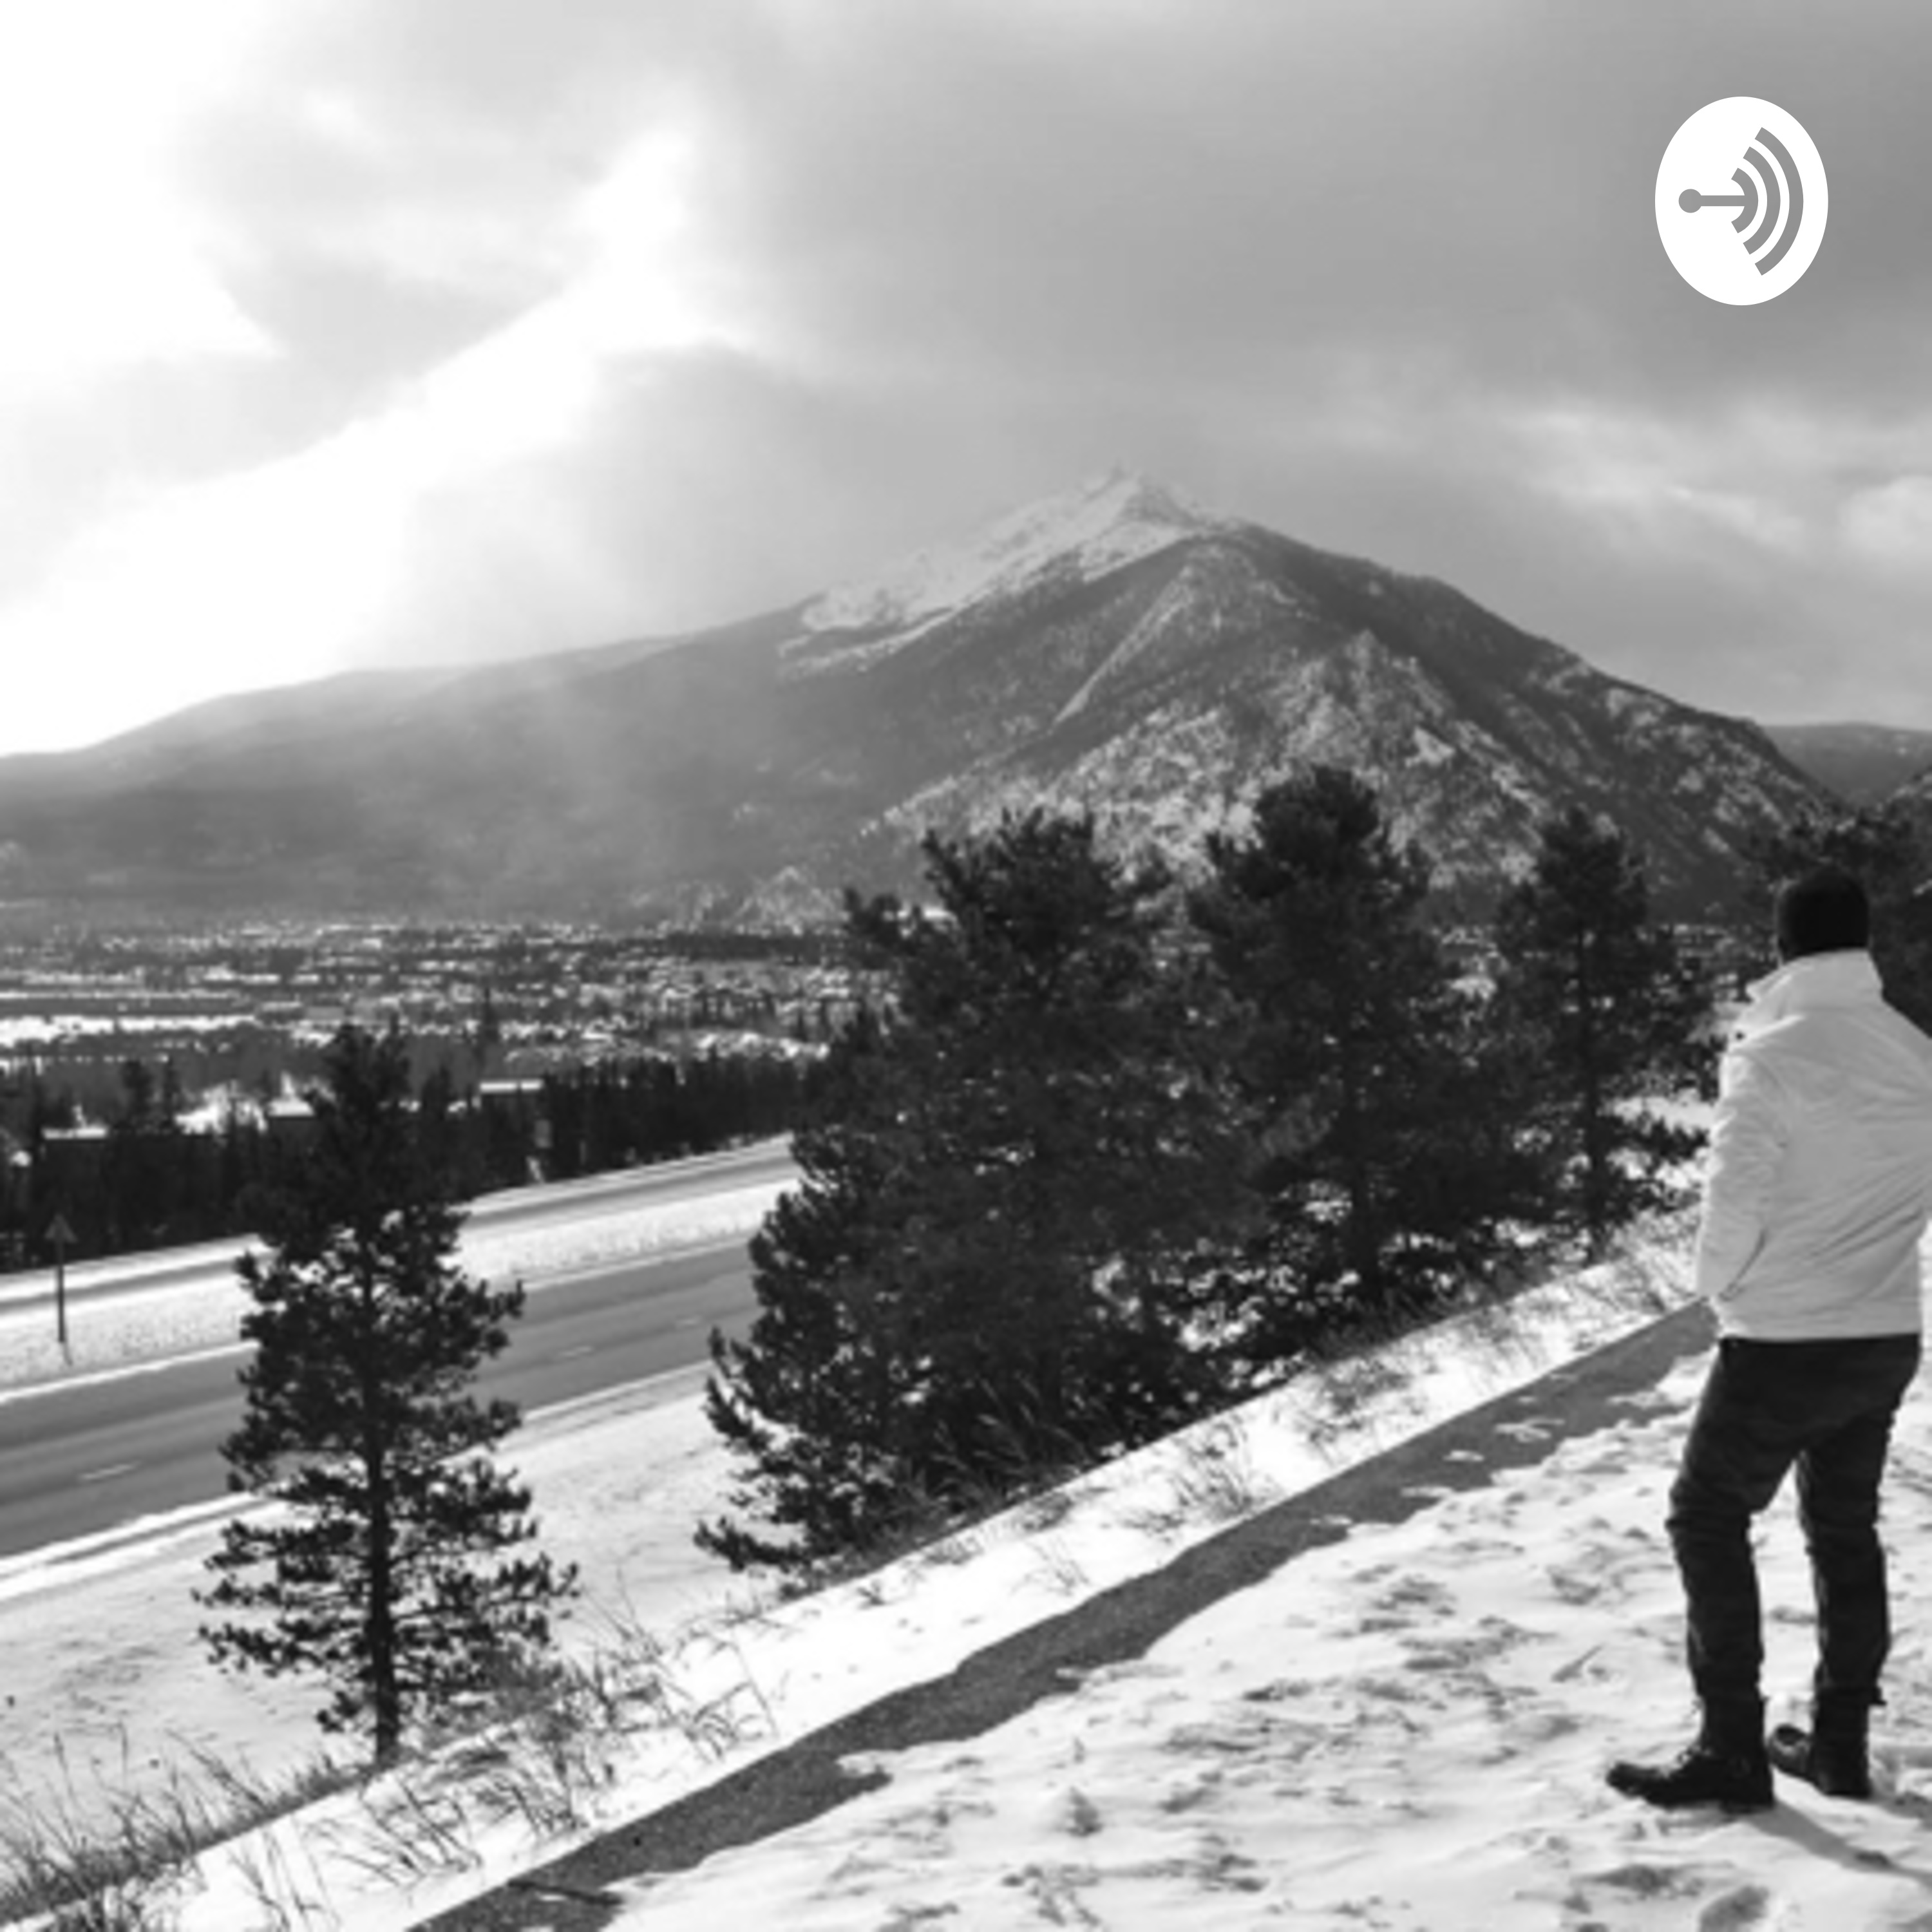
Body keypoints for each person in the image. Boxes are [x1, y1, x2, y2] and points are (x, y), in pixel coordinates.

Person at [1607, 864, 1932, 1810]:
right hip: (1883, 1336)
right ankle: (1839, 1745)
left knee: (1706, 1516)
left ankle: (1732, 1749)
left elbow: (1732, 1202)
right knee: (1844, 1529)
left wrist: (1720, 1287)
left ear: (1781, 948)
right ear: (1862, 944)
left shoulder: (1770, 1053)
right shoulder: (1917, 1053)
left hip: (1783, 1338)